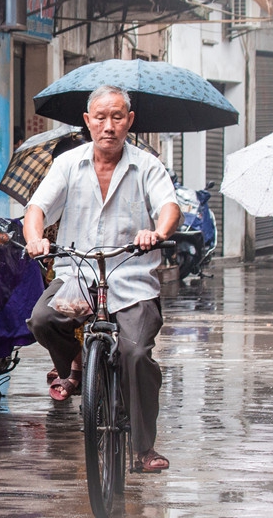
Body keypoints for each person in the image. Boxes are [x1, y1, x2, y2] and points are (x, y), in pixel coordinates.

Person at [23, 85, 181, 474]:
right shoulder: (68, 164)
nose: (108, 126)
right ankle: (73, 367)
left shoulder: (147, 165)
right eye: (100, 117)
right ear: (87, 121)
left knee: (136, 354)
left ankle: (144, 448)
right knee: (43, 320)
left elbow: (169, 207)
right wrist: (35, 239)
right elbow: (37, 207)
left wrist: (156, 233)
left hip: (131, 278)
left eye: (116, 117)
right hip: (77, 273)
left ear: (128, 121)